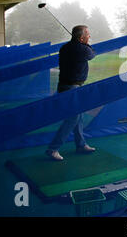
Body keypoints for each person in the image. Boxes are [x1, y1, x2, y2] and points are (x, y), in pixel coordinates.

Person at [45, 25, 97, 161]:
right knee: (73, 118)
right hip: (71, 88)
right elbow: (92, 54)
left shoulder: (65, 47)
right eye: (88, 34)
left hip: (66, 86)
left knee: (78, 116)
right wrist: (85, 45)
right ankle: (53, 149)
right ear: (81, 38)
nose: (89, 36)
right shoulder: (81, 49)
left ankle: (81, 145)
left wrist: (80, 43)